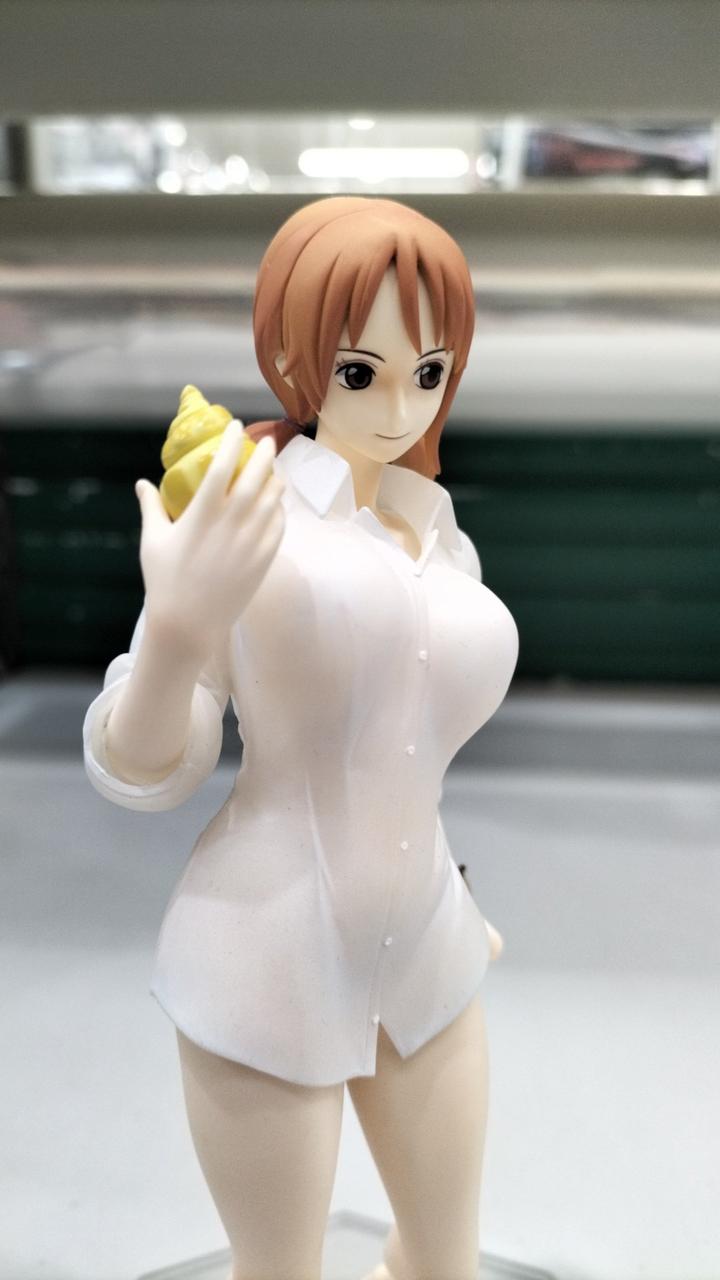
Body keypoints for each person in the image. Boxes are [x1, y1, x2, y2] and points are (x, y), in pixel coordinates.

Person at [83, 196, 518, 1280]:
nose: (399, 405)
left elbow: (405, 752)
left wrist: (456, 895)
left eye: (430, 371)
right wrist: (175, 631)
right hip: (264, 955)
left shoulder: (435, 530)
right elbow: (141, 765)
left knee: (444, 1261)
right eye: (360, 372)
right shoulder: (246, 516)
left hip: (427, 950)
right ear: (290, 355)